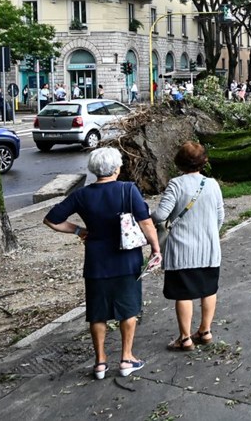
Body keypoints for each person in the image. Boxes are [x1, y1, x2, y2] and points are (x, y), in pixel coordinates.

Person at [43, 148, 161, 380]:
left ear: (93, 170)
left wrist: (79, 230)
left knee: (97, 313)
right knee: (128, 309)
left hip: (96, 261)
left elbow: (51, 219)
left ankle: (100, 363)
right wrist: (156, 248)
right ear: (117, 168)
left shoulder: (82, 195)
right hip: (127, 259)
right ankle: (127, 359)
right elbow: (146, 223)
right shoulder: (128, 190)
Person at [152, 141, 225, 352]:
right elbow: (220, 216)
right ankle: (205, 331)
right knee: (209, 290)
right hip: (209, 249)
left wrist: (147, 217)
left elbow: (160, 215)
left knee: (184, 294)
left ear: (179, 162)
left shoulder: (176, 184)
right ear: (204, 161)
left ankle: (185, 339)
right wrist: (210, 233)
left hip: (182, 251)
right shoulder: (212, 184)